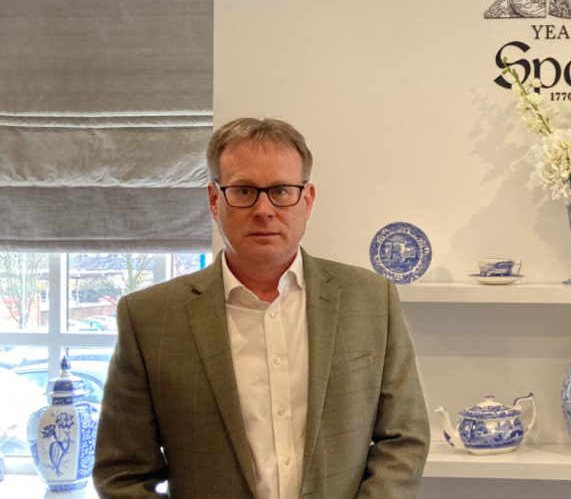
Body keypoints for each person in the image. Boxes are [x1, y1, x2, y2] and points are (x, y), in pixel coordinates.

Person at [93, 118, 430, 499]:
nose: (264, 209)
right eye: (244, 190)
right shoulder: (150, 318)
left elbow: (404, 439)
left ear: (307, 199)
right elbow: (121, 473)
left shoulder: (371, 299)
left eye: (282, 191)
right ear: (214, 199)